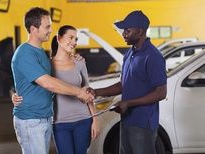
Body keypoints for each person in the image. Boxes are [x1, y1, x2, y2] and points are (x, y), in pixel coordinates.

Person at [11, 7, 93, 154]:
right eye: (47, 26)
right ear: (33, 29)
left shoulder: (41, 53)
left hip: (45, 117)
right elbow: (48, 82)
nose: (50, 30)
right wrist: (78, 92)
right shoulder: (24, 53)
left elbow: (24, 81)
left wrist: (14, 92)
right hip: (31, 120)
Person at [89, 10, 167, 154]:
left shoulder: (153, 56)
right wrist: (97, 92)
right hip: (127, 120)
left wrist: (129, 103)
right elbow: (123, 85)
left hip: (143, 123)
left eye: (127, 30)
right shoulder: (130, 53)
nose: (124, 33)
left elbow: (161, 92)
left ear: (140, 31)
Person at [51, 25, 99, 154]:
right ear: (58, 38)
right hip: (59, 123)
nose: (74, 42)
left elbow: (88, 92)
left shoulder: (79, 63)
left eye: (76, 39)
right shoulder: (47, 65)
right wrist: (16, 96)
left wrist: (94, 120)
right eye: (70, 38)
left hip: (83, 120)